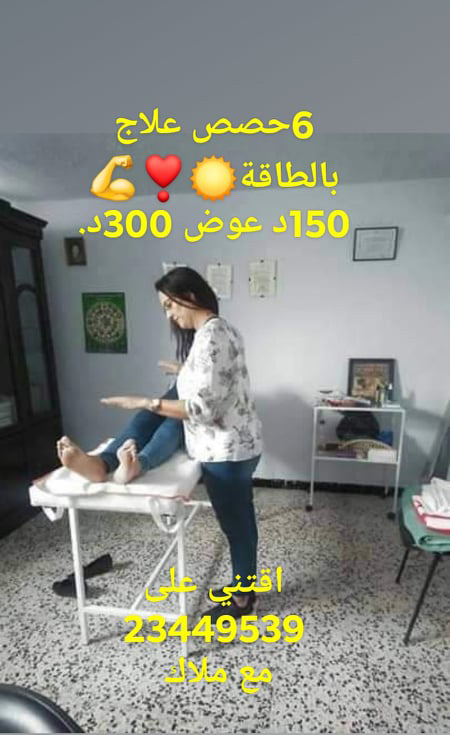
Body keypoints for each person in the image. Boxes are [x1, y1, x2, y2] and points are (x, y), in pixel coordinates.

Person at [57, 267, 262, 622]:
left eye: (170, 305)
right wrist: (183, 371)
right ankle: (107, 462)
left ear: (190, 296)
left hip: (226, 451)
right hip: (237, 444)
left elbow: (202, 409)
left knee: (237, 526)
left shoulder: (211, 336)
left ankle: (243, 600)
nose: (169, 315)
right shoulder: (219, 330)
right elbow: (216, 381)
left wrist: (144, 401)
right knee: (240, 521)